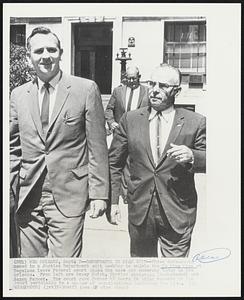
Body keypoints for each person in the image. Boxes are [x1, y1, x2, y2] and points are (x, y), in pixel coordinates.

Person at [10, 26, 109, 257]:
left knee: (64, 270)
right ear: (28, 57)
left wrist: (99, 195)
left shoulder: (85, 89)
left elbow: (97, 147)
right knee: (30, 270)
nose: (46, 56)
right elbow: (12, 147)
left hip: (69, 195)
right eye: (39, 51)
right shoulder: (18, 94)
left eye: (51, 49)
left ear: (61, 53)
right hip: (28, 196)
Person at [109, 63, 206, 257]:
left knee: (174, 276)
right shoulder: (130, 120)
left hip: (177, 211)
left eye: (163, 86)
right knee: (143, 274)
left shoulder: (195, 122)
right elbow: (114, 163)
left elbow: (221, 159)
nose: (154, 90)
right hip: (140, 212)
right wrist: (112, 202)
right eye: (152, 84)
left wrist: (192, 156)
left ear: (176, 91)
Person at [105, 65, 149, 202]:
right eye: (128, 79)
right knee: (117, 161)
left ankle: (128, 193)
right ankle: (117, 193)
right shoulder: (118, 91)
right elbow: (109, 110)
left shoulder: (147, 92)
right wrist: (111, 122)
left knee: (133, 162)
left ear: (139, 77)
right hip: (120, 133)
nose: (131, 81)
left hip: (138, 132)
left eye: (134, 78)